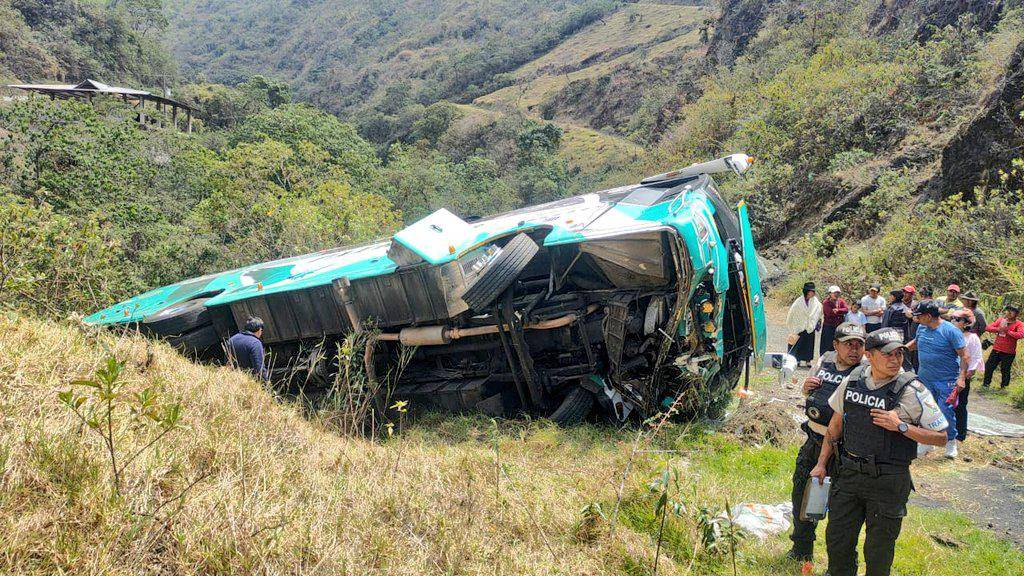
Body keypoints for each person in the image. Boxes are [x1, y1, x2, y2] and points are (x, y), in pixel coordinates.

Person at [811, 327, 948, 576]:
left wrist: (902, 427)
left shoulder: (912, 390)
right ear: (870, 356)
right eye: (888, 355)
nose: (896, 360)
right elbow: (835, 426)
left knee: (878, 551)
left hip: (888, 481)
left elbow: (941, 438)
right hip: (849, 475)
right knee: (838, 541)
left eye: (899, 354)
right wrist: (821, 463)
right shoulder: (852, 381)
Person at [787, 322, 866, 561]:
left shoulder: (866, 371)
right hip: (813, 441)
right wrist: (805, 387)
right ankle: (801, 550)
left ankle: (838, 562)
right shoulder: (825, 360)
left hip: (843, 450)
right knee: (802, 496)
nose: (854, 349)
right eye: (848, 344)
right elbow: (809, 391)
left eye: (859, 344)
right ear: (836, 345)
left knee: (840, 509)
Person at [906, 300, 969, 458]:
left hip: (946, 380)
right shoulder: (922, 327)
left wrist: (961, 378)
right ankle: (927, 443)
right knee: (925, 411)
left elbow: (964, 355)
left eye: (919, 316)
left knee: (945, 411)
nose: (916, 318)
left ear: (928, 316)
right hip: (925, 378)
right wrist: (902, 348)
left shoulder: (950, 331)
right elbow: (916, 343)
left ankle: (950, 442)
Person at [951, 309, 983, 444]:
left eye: (958, 320)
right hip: (949, 374)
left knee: (961, 404)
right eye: (952, 318)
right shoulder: (950, 334)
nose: (954, 321)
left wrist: (968, 373)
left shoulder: (972, 338)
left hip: (962, 375)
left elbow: (976, 357)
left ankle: (960, 434)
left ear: (967, 323)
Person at [983, 304, 1023, 389]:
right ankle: (986, 384)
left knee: (1005, 370)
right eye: (1008, 310)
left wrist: (1008, 332)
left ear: (1016, 314)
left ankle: (1004, 387)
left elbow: (1020, 335)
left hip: (1009, 352)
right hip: (996, 349)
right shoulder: (1001, 320)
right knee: (989, 367)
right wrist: (998, 329)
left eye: (1012, 311)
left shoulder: (1019, 324)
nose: (1009, 313)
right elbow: (988, 327)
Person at [787, 282, 823, 368]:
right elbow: (792, 313)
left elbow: (818, 312)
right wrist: (793, 325)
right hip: (799, 325)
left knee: (809, 344)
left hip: (810, 326)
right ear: (807, 291)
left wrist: (817, 321)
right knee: (798, 343)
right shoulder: (798, 301)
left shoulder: (816, 302)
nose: (813, 293)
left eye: (813, 291)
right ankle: (797, 359)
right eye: (811, 291)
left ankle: (808, 360)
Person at [821, 286, 849, 355]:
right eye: (834, 293)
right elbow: (829, 313)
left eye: (838, 293)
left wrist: (838, 310)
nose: (836, 295)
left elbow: (846, 309)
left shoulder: (841, 301)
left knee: (839, 342)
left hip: (839, 326)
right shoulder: (826, 302)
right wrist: (840, 312)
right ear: (830, 293)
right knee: (828, 344)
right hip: (829, 326)